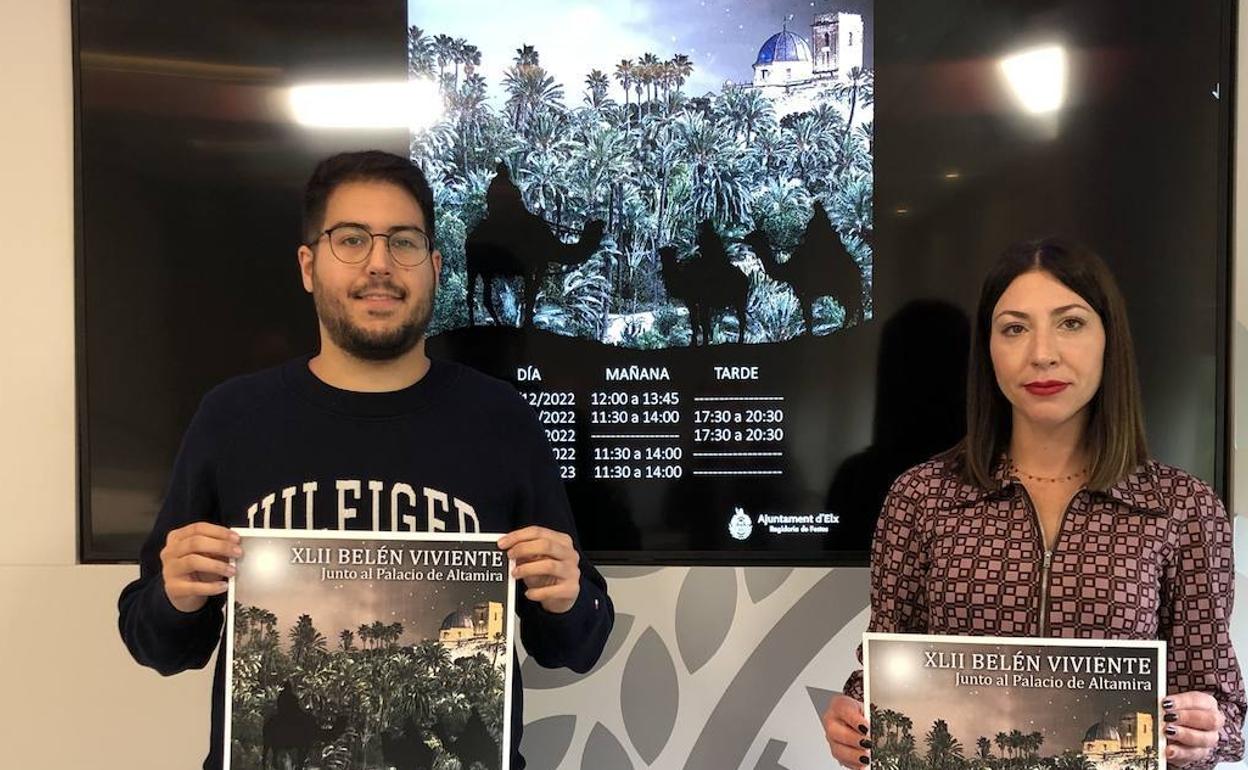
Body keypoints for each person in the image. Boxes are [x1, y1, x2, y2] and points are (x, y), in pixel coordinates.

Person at [117, 150, 614, 770]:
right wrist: (176, 594)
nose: (380, 263)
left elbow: (574, 645)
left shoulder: (503, 420)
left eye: (403, 242)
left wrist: (566, 595)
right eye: (351, 239)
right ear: (309, 266)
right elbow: (155, 643)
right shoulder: (232, 418)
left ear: (434, 268)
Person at [823, 238, 1244, 769]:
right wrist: (854, 719)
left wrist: (1205, 733)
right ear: (988, 349)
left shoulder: (1183, 507)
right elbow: (886, 667)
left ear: (1109, 339)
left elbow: (1221, 703)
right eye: (1014, 328)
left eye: (1070, 323)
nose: (1042, 353)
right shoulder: (922, 498)